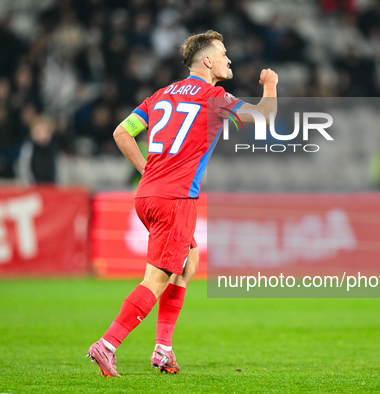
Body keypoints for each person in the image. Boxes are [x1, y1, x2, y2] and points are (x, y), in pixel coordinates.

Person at [87, 30, 278, 377]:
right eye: (222, 53)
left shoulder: (160, 96)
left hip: (147, 194)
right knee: (156, 280)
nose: (228, 59)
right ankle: (108, 344)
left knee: (188, 261)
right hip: (175, 198)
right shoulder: (215, 97)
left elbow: (121, 132)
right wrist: (270, 85)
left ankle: (163, 349)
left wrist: (148, 171)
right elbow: (264, 117)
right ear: (207, 61)